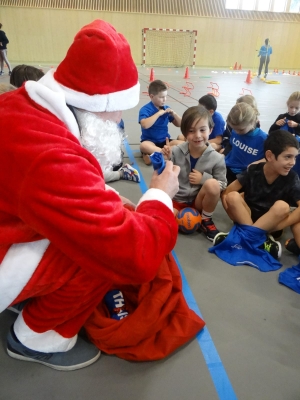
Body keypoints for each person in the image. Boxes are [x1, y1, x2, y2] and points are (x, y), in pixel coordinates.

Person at [0, 20, 182, 370]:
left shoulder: (25, 108)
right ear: (96, 106)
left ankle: (28, 294)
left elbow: (49, 190)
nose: (117, 121)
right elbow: (134, 255)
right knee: (98, 256)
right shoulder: (50, 157)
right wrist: (159, 196)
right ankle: (37, 338)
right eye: (117, 111)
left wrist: (109, 201)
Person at [215, 130, 300, 260]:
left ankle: (242, 237)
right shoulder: (254, 170)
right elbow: (227, 192)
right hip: (246, 218)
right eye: (288, 157)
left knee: (282, 206)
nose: (293, 162)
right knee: (232, 196)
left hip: (271, 226)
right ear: (270, 156)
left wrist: (278, 226)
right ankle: (260, 241)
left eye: (295, 157)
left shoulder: (292, 177)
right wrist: (233, 214)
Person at [162, 106, 227, 241]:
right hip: (176, 200)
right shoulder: (175, 151)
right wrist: (165, 160)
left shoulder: (217, 158)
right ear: (185, 133)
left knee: (212, 184)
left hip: (198, 202)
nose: (197, 135)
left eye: (202, 130)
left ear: (210, 130)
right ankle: (178, 216)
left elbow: (222, 184)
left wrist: (204, 179)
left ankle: (206, 220)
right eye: (191, 131)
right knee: (163, 224)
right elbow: (162, 176)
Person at [139, 79, 182, 165]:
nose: (164, 99)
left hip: (165, 141)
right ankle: (167, 154)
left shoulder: (166, 108)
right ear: (151, 96)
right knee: (144, 146)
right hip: (150, 142)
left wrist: (174, 114)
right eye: (161, 97)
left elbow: (180, 124)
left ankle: (155, 157)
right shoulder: (145, 109)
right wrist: (158, 114)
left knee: (184, 144)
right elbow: (144, 125)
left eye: (166, 96)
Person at [224, 102, 267, 185]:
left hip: (244, 175)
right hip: (227, 166)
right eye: (234, 129)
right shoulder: (236, 129)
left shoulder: (263, 139)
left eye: (241, 130)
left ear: (252, 122)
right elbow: (230, 145)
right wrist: (224, 154)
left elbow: (270, 158)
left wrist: (257, 164)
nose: (237, 132)